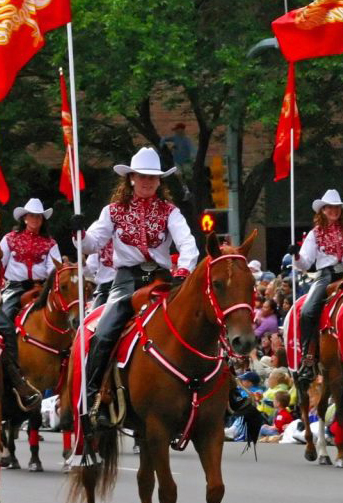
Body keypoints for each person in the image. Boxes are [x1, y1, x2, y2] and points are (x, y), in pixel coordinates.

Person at [76, 147, 199, 429]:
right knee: (104, 332)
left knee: (201, 319)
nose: (147, 181)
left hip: (163, 278)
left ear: (159, 182)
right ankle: (94, 397)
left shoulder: (170, 211)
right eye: (142, 176)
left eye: (153, 178)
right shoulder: (113, 211)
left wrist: (184, 270)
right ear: (130, 178)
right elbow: (93, 243)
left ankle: (230, 391)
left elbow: (187, 243)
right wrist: (80, 234)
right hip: (126, 281)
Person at [289, 189, 343, 385]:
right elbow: (305, 263)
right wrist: (296, 256)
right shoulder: (315, 234)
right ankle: (308, 357)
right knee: (308, 311)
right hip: (326, 276)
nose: (333, 210)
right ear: (323, 210)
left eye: (337, 207)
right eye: (329, 207)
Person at [0, 198, 61, 409]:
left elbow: (55, 268)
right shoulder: (9, 239)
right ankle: (12, 368)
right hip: (15, 288)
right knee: (5, 320)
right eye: (32, 215)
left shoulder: (50, 243)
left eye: (39, 216)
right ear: (24, 218)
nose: (35, 219)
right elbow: (1, 263)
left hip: (41, 288)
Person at [85, 240, 115, 308]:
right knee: (96, 315)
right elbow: (89, 270)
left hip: (129, 283)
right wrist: (83, 265)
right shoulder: (99, 242)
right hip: (105, 289)